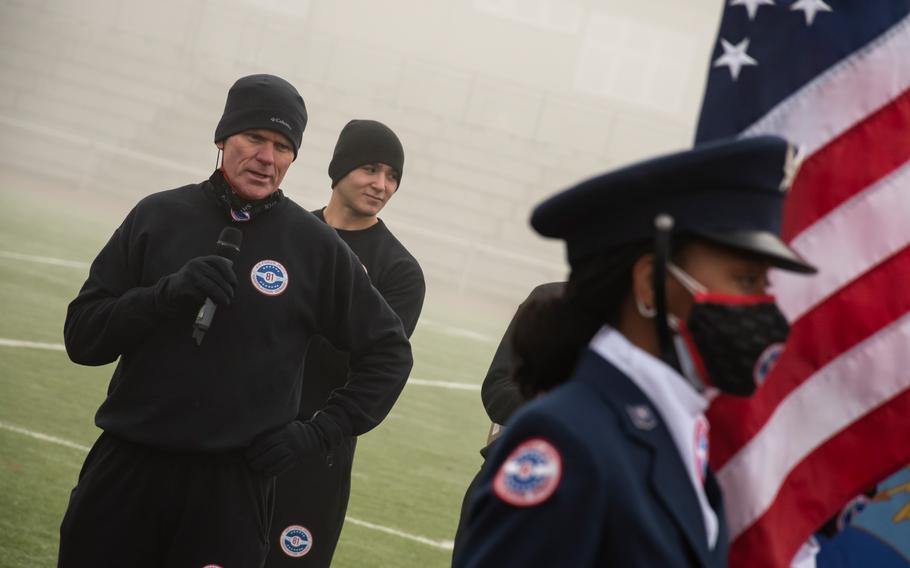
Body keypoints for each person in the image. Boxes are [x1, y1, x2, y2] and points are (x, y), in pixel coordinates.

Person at [58, 75, 413, 567]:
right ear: (223, 138)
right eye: (255, 139)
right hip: (127, 468)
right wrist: (166, 295)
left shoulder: (314, 248)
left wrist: (315, 432)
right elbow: (82, 336)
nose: (267, 157)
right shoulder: (158, 216)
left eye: (283, 146)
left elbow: (390, 353)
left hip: (230, 490)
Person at [453, 135, 817, 567]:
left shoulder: (681, 431)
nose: (763, 304)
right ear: (649, 284)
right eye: (744, 280)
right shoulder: (567, 439)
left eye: (764, 285)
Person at [266, 119, 425, 566]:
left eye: (392, 175)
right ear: (340, 169)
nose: (382, 184)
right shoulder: (286, 232)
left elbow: (366, 363)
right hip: (243, 428)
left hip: (318, 449)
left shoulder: (399, 271)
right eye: (370, 169)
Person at [451, 281, 563, 558]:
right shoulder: (549, 299)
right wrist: (560, 414)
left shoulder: (661, 331)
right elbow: (498, 388)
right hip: (513, 479)